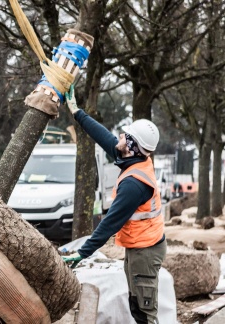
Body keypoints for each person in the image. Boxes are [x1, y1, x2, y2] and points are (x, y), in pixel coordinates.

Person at [61, 86, 165, 324]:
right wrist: (78, 113)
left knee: (145, 312)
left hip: (146, 250)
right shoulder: (133, 158)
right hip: (141, 246)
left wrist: (82, 253)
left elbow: (110, 223)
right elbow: (104, 137)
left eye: (124, 135)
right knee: (136, 304)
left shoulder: (134, 184)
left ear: (131, 145)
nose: (118, 136)